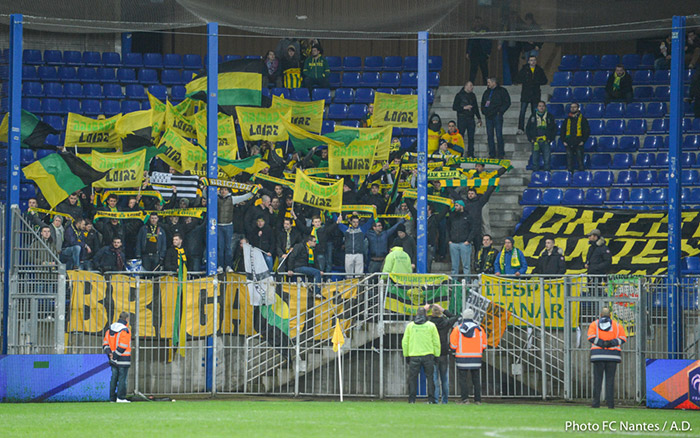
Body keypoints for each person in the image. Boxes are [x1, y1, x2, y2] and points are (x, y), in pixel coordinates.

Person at [587, 307, 627, 409]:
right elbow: (623, 338)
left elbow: (590, 337)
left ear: (600, 315)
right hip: (612, 356)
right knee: (610, 380)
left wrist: (602, 343)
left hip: (598, 356)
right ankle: (610, 404)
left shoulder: (594, 324)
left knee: (597, 380)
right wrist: (610, 343)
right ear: (610, 315)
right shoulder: (617, 325)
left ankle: (596, 403)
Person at [401, 306, 441, 404]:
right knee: (430, 378)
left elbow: (405, 342)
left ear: (416, 314)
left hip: (414, 355)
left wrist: (406, 355)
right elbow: (436, 342)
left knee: (412, 378)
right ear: (426, 315)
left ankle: (412, 399)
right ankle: (431, 399)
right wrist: (437, 355)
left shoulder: (410, 326)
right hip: (428, 355)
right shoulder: (431, 326)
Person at [450, 308, 487, 405]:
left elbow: (453, 345)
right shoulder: (479, 329)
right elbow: (484, 345)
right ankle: (478, 400)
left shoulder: (457, 329)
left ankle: (465, 399)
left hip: (462, 358)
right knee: (476, 379)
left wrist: (455, 350)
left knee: (463, 379)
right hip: (476, 358)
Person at [218, 187, 255, 273]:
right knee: (220, 247)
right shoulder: (215, 198)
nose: (223, 191)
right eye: (222, 190)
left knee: (228, 247)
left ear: (228, 191)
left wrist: (253, 191)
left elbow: (244, 197)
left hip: (228, 226)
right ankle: (220, 265)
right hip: (218, 225)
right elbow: (206, 195)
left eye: (225, 190)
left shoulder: (232, 199)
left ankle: (228, 266)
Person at [428, 304, 459, 404]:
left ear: (432, 313)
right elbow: (455, 317)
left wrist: (424, 309)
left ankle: (435, 400)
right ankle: (445, 400)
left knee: (434, 378)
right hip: (444, 351)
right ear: (440, 313)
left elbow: (418, 319)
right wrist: (444, 310)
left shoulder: (429, 323)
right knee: (444, 378)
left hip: (433, 351)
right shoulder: (445, 322)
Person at [102, 311, 132, 403]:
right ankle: (121, 397)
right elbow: (123, 345)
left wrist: (110, 354)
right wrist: (115, 356)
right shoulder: (125, 330)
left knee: (114, 378)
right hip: (123, 358)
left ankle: (112, 398)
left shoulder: (110, 329)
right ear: (126, 319)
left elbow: (105, 344)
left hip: (112, 358)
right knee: (122, 378)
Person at [517, 55, 548, 135]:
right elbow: (518, 78)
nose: (533, 62)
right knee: (522, 111)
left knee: (534, 112)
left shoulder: (539, 70)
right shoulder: (524, 70)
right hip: (526, 93)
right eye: (531, 60)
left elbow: (544, 80)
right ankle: (520, 128)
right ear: (528, 61)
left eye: (534, 60)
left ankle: (534, 127)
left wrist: (537, 81)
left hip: (535, 94)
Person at [481, 77, 511, 159]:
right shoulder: (486, 92)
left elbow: (507, 102)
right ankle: (492, 153)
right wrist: (484, 111)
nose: (488, 84)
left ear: (494, 83)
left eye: (489, 82)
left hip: (497, 115)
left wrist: (500, 111)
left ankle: (501, 153)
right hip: (488, 116)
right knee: (490, 135)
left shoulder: (502, 91)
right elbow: (483, 103)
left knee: (498, 135)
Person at [452, 81, 482, 157]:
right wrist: (464, 108)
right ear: (465, 86)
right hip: (462, 118)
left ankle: (470, 153)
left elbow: (475, 107)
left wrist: (479, 118)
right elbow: (454, 107)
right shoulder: (459, 95)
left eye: (472, 85)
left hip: (471, 118)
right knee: (461, 136)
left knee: (471, 137)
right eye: (470, 85)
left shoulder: (473, 95)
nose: (472, 87)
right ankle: (460, 152)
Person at [448, 200, 477, 276]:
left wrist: (468, 240)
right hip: (453, 243)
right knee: (454, 266)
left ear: (462, 206)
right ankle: (454, 284)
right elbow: (448, 228)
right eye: (455, 205)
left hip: (464, 243)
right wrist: (449, 240)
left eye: (457, 205)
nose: (455, 207)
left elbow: (473, 229)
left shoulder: (468, 216)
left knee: (466, 266)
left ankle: (467, 283)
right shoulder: (452, 216)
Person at [525, 101, 556, 172]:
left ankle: (547, 174)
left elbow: (554, 128)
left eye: (543, 106)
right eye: (540, 106)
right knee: (535, 159)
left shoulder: (549, 116)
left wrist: (550, 138)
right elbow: (528, 128)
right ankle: (535, 175)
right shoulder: (533, 116)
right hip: (535, 141)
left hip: (545, 141)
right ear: (537, 107)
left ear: (545, 107)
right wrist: (531, 139)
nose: (541, 107)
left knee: (547, 159)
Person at [560, 102, 591, 173]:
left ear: (578, 108)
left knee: (580, 160)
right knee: (569, 161)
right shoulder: (567, 119)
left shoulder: (582, 119)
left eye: (574, 107)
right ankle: (570, 175)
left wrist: (583, 141)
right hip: (568, 142)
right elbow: (562, 131)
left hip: (579, 143)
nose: (573, 108)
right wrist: (563, 141)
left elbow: (587, 131)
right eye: (571, 107)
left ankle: (581, 175)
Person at [584, 229, 612, 295]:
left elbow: (608, 261)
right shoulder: (591, 248)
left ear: (595, 236)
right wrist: (586, 264)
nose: (589, 238)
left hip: (600, 276)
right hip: (591, 275)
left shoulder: (603, 248)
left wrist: (596, 268)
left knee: (600, 294)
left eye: (590, 236)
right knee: (592, 293)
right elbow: (588, 259)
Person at [466, 16, 491, 85]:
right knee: (473, 69)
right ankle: (471, 83)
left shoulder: (485, 30)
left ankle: (486, 84)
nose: (477, 23)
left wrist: (488, 52)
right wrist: (468, 52)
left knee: (484, 69)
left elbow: (489, 41)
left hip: (483, 52)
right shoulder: (472, 30)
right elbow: (469, 42)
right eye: (475, 21)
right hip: (474, 53)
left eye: (478, 21)